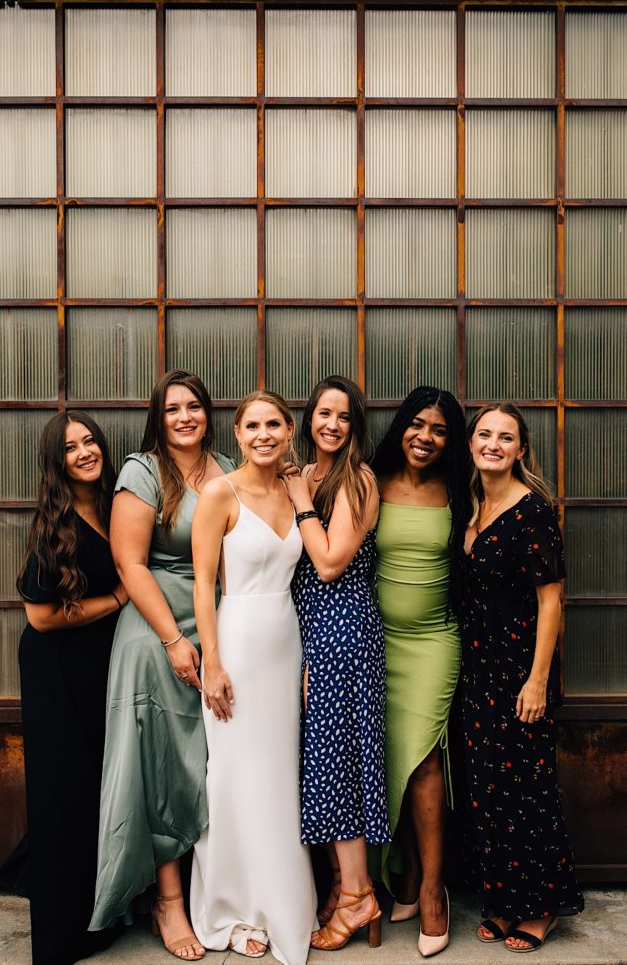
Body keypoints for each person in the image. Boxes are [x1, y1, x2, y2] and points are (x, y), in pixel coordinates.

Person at [89, 370, 234, 960]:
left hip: (221, 624)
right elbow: (131, 565)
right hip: (156, 629)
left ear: (207, 413)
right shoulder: (141, 472)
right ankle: (167, 901)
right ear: (158, 417)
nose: (185, 417)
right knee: (162, 761)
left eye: (194, 406)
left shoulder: (228, 464)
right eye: (173, 408)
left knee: (211, 763)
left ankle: (215, 893)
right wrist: (174, 640)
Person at [190, 390, 317, 965]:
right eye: (252, 426)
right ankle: (234, 905)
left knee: (278, 772)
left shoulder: (297, 492)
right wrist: (212, 664)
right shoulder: (219, 492)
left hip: (284, 642)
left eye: (274, 424)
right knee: (233, 775)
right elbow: (203, 586)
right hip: (237, 641)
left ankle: (279, 900)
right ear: (236, 435)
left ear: (290, 431)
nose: (263, 434)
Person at [459, 402, 584, 952]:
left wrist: (537, 682)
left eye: (504, 437)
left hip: (517, 672)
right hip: (477, 672)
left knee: (527, 792)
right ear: (471, 444)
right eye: (484, 434)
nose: (493, 444)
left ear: (521, 448)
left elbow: (552, 601)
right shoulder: (473, 504)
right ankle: (505, 902)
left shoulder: (532, 511)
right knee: (488, 792)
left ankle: (541, 909)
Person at [283, 375, 390, 952]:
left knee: (336, 763)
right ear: (309, 418)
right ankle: (340, 889)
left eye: (343, 416)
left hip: (343, 632)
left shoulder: (358, 480)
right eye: (323, 413)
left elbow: (328, 562)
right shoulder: (307, 473)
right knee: (318, 761)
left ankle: (358, 896)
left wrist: (300, 502)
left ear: (355, 426)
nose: (332, 424)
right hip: (309, 632)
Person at [16, 411, 126, 965]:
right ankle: (59, 938)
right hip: (54, 670)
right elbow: (40, 617)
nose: (84, 451)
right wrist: (117, 601)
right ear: (56, 462)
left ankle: (94, 917)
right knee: (62, 796)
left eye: (89, 441)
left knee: (93, 793)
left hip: (98, 666)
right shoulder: (52, 521)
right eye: (70, 447)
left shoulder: (112, 509)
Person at [370, 386, 469, 957]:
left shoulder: (458, 491)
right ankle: (402, 874)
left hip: (432, 642)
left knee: (425, 755)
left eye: (438, 429)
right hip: (376, 644)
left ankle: (433, 891)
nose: (425, 437)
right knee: (390, 758)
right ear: (401, 425)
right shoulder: (371, 481)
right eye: (417, 424)